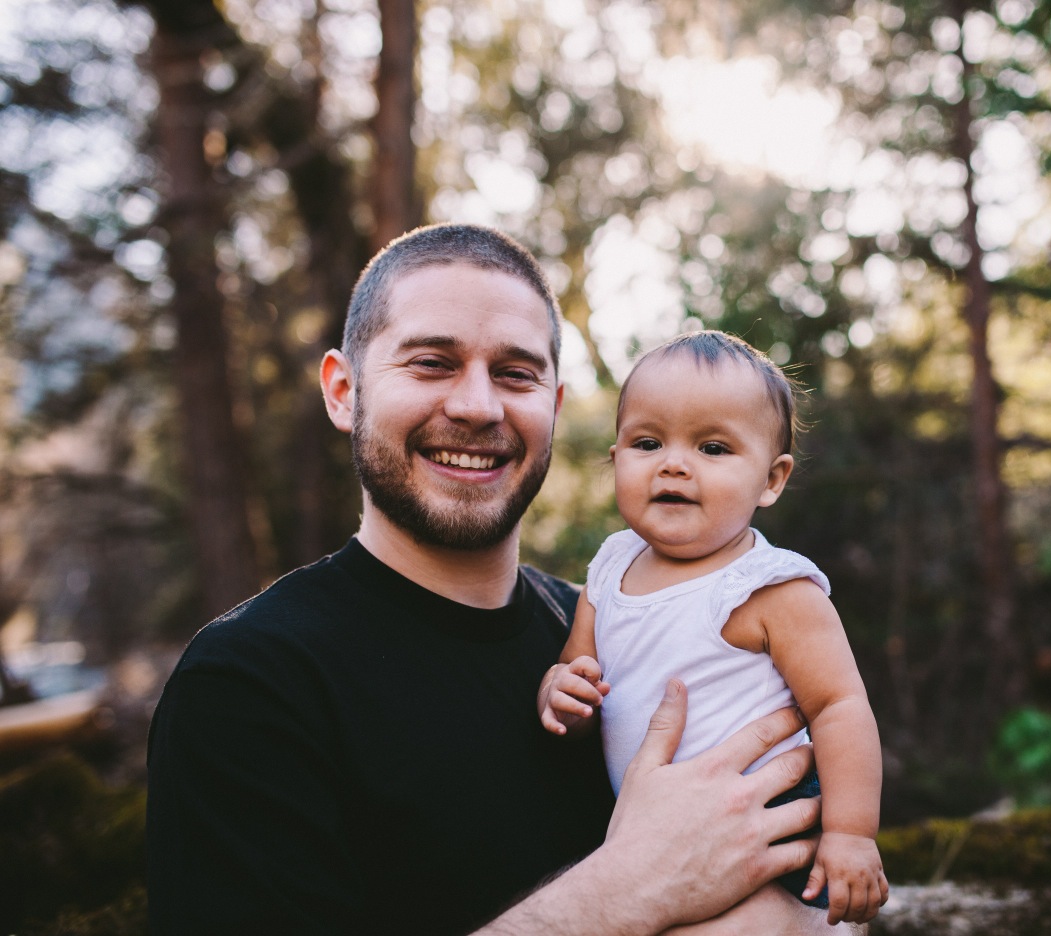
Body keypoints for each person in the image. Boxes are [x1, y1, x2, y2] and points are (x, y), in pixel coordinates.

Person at [145, 224, 840, 935]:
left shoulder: (611, 640)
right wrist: (620, 893)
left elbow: (821, 895)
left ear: (555, 408)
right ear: (343, 391)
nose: (478, 406)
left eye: (515, 374)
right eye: (431, 363)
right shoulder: (248, 683)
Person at [538, 331, 889, 926]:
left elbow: (839, 706)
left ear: (771, 479)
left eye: (714, 448)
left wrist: (852, 834)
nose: (674, 463)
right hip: (658, 845)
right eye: (648, 442)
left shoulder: (771, 588)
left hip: (768, 833)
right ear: (616, 456)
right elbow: (580, 669)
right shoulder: (610, 568)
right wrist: (562, 692)